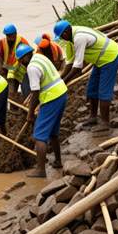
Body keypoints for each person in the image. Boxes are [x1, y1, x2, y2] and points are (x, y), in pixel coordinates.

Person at [54, 20, 118, 136]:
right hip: (100, 60)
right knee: (91, 88)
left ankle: (105, 123)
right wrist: (60, 79)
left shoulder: (78, 38)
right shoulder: (70, 39)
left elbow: (77, 67)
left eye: (61, 36)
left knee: (104, 91)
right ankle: (93, 117)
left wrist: (64, 83)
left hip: (110, 57)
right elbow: (69, 62)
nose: (61, 39)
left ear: (66, 32)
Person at [16, 43, 67, 178]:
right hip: (61, 93)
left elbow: (35, 91)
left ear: (25, 58)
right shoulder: (40, 57)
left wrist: (30, 112)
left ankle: (41, 170)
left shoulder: (32, 68)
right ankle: (57, 161)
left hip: (52, 98)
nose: (21, 64)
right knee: (53, 132)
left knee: (39, 135)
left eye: (21, 61)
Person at [23, 34, 65, 100]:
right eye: (43, 50)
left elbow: (60, 61)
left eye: (47, 49)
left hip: (56, 68)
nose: (45, 51)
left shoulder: (56, 48)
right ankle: (29, 98)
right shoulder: (38, 53)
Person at [0, 24, 30, 96]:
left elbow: (29, 56)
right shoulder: (2, 42)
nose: (9, 38)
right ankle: (12, 106)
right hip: (9, 73)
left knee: (25, 90)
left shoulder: (22, 41)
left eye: (11, 36)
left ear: (15, 34)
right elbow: (0, 56)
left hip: (21, 71)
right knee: (10, 92)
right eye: (7, 36)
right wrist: (0, 70)